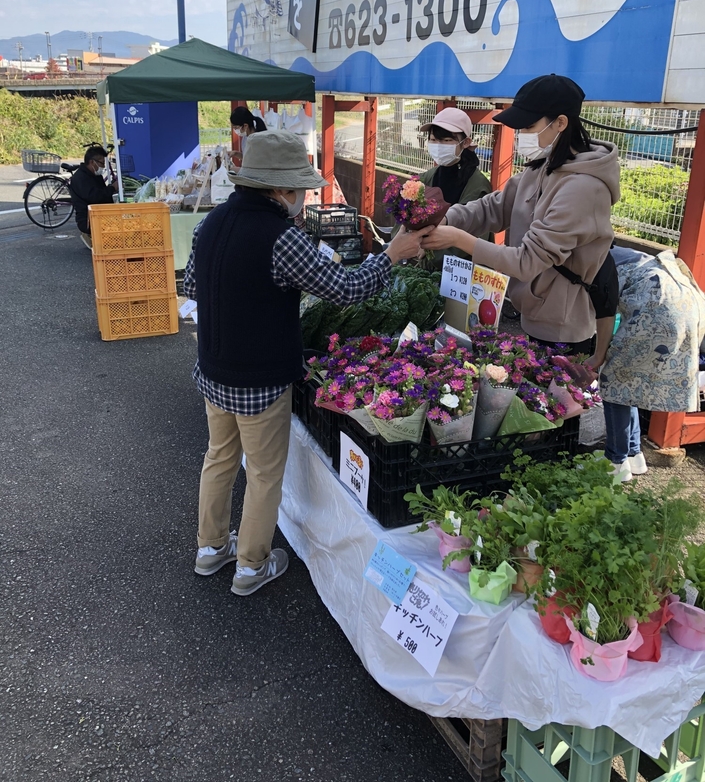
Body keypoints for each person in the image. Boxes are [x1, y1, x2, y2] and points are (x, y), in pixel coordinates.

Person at [183, 130, 429, 597]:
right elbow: (346, 289)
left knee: (218, 459)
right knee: (262, 473)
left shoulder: (211, 222)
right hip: (259, 379)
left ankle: (210, 548)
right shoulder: (282, 237)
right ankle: (251, 566)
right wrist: (391, 255)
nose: (301, 197)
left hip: (214, 370)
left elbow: (194, 286)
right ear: (280, 189)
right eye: (298, 188)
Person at [421, 74, 620, 353]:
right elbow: (494, 207)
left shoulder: (584, 187)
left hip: (563, 330)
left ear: (561, 123)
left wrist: (456, 238)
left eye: (528, 126)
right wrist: (445, 218)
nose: (521, 136)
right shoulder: (542, 166)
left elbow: (527, 261)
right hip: (533, 313)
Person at [586, 246, 705, 481]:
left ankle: (616, 463)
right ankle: (633, 454)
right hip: (688, 307)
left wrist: (599, 356)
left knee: (615, 381)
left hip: (658, 310)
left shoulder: (595, 258)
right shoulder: (624, 253)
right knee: (631, 379)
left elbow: (606, 314)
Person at [415, 107, 491, 267]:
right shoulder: (427, 177)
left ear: (466, 142)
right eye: (433, 140)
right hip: (423, 271)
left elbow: (472, 235)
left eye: (447, 140)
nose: (438, 145)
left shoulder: (477, 185)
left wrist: (427, 251)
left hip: (460, 274)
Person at [68, 143, 118, 250]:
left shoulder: (94, 175)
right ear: (92, 162)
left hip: (100, 213)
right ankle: (90, 234)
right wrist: (112, 188)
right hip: (88, 219)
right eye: (101, 163)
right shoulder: (80, 178)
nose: (103, 166)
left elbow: (101, 193)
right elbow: (94, 196)